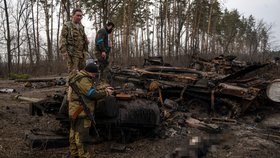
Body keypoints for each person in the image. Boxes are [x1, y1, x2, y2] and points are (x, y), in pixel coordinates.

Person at [68, 63, 114, 158]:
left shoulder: (79, 76)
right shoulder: (83, 79)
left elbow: (89, 89)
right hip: (81, 112)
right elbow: (92, 94)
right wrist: (106, 93)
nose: (94, 76)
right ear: (89, 72)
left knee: (74, 134)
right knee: (82, 137)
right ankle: (84, 156)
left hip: (75, 111)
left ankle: (74, 154)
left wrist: (103, 87)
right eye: (94, 74)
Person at [59, 8, 89, 74]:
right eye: (77, 15)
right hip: (72, 53)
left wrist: (86, 42)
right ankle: (69, 84)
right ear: (73, 15)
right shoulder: (67, 26)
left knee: (83, 73)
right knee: (73, 73)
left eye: (81, 16)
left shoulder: (81, 27)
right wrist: (64, 52)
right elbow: (62, 39)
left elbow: (83, 38)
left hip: (81, 54)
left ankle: (81, 84)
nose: (79, 17)